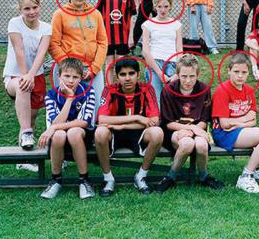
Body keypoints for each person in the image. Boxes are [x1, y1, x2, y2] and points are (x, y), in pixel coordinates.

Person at [211, 53, 259, 193]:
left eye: (244, 72)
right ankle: (245, 176)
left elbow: (253, 120)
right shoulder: (222, 90)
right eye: (236, 72)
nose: (240, 76)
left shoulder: (249, 90)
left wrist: (239, 123)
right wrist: (244, 120)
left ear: (248, 73)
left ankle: (255, 168)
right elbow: (225, 124)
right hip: (223, 134)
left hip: (238, 130)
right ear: (228, 71)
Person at [95, 58, 164, 196]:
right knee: (100, 132)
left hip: (138, 132)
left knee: (157, 133)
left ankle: (141, 175)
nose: (127, 78)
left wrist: (123, 125)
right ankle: (108, 178)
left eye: (131, 73)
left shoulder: (147, 89)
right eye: (122, 74)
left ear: (138, 75)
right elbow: (102, 120)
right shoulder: (109, 89)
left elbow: (154, 121)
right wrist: (137, 117)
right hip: (114, 133)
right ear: (117, 77)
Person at [157, 54, 224, 192]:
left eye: (192, 76)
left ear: (198, 75)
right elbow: (168, 122)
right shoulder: (168, 90)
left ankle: (204, 176)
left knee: (201, 144)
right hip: (175, 130)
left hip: (197, 129)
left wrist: (194, 129)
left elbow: (204, 120)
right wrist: (191, 129)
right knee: (187, 143)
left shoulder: (204, 89)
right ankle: (171, 177)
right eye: (184, 76)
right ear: (177, 74)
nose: (188, 80)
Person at [38, 58, 95, 199]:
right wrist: (69, 99)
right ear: (59, 76)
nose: (71, 81)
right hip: (59, 138)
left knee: (74, 132)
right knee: (58, 135)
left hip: (81, 137)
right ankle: (56, 180)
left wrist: (54, 127)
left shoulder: (88, 91)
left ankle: (84, 180)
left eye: (75, 77)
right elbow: (55, 121)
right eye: (67, 76)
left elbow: (83, 122)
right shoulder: (51, 95)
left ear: (81, 78)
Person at [49, 0, 108, 115]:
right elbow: (53, 43)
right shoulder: (60, 14)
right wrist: (69, 67)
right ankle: (63, 134)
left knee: (95, 103)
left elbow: (102, 42)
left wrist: (94, 68)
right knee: (67, 104)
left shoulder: (95, 14)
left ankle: (92, 133)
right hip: (68, 69)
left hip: (91, 69)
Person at [3, 0, 52, 153]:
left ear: (40, 6)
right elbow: (19, 50)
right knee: (23, 87)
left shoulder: (46, 28)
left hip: (35, 76)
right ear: (20, 10)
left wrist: (31, 75)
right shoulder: (14, 23)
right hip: (15, 76)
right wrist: (26, 76)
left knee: (30, 118)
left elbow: (41, 54)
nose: (31, 12)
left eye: (34, 7)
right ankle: (26, 132)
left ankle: (24, 160)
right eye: (27, 8)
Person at [142, 0, 183, 106]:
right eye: (159, 6)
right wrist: (160, 74)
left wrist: (177, 72)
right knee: (156, 100)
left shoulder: (176, 24)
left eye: (166, 6)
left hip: (173, 64)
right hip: (155, 63)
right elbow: (145, 51)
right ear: (155, 7)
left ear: (170, 7)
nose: (162, 10)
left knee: (174, 100)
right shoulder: (148, 24)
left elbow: (179, 49)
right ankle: (158, 121)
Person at [98, 0, 137, 83]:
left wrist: (131, 36)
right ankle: (109, 89)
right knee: (109, 64)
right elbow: (98, 16)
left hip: (123, 36)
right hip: (107, 36)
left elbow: (132, 17)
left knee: (121, 65)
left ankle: (120, 87)